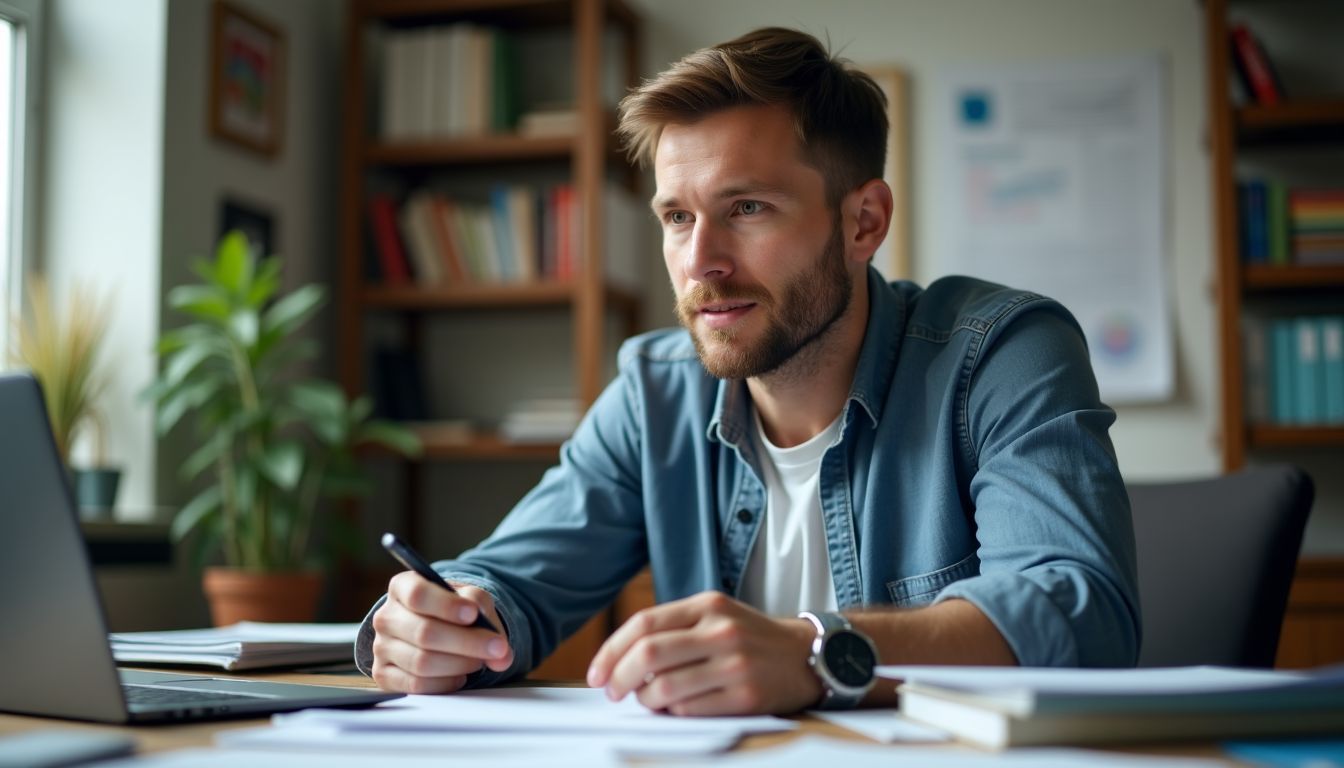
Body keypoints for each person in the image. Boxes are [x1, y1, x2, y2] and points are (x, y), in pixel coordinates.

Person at [356, 26, 1140, 716]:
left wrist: (814, 653)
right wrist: (447, 622)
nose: (701, 263)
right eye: (677, 217)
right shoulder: (654, 391)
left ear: (863, 221)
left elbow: (1078, 613)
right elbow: (512, 579)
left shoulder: (1001, 352)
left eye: (747, 209)